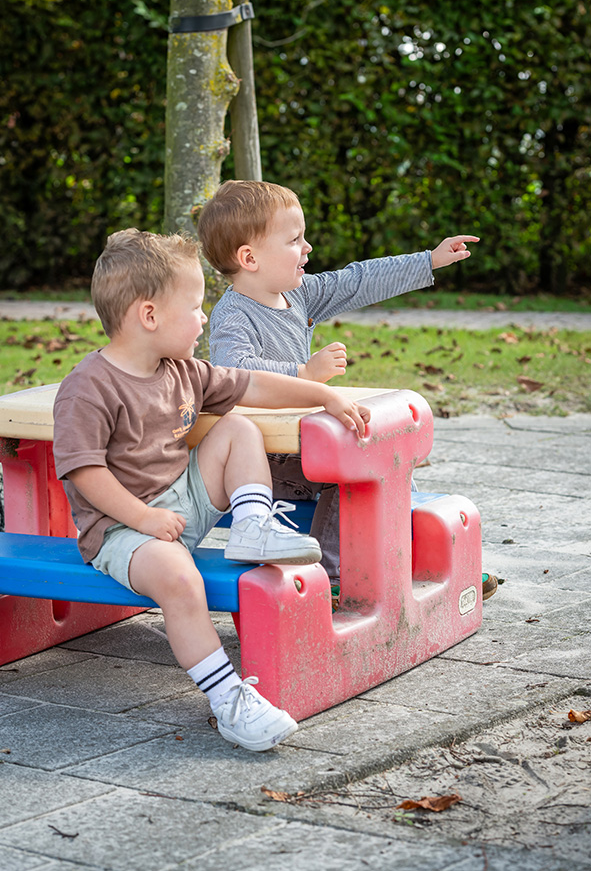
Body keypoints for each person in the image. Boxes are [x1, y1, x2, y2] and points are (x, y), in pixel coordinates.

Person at [52, 228, 371, 753]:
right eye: (196, 307)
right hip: (121, 532)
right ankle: (229, 702)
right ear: (149, 315)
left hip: (182, 501)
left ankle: (252, 527)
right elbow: (84, 474)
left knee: (237, 428)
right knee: (180, 578)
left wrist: (322, 395)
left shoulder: (182, 370)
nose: (205, 318)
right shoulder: (88, 388)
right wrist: (143, 519)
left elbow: (253, 385)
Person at [198, 180, 480, 587]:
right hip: (266, 459)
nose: (308, 247)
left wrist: (428, 261)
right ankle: (333, 577)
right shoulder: (234, 316)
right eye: (295, 239)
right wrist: (304, 374)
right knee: (351, 459)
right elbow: (235, 372)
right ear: (249, 257)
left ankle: (408, 559)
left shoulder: (299, 295)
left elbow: (357, 280)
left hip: (302, 445)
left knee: (387, 455)